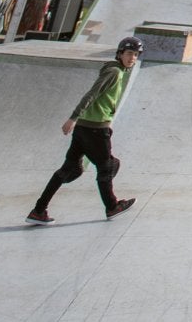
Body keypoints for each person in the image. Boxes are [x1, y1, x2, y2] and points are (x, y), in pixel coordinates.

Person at [27, 36, 142, 224]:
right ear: (120, 54)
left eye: (136, 55)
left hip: (84, 128)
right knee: (107, 168)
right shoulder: (114, 72)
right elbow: (92, 93)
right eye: (129, 53)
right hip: (95, 130)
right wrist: (73, 117)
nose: (132, 58)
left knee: (68, 170)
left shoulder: (116, 70)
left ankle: (38, 211)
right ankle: (112, 207)